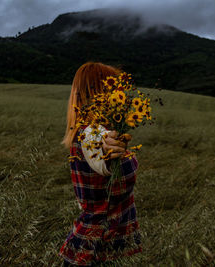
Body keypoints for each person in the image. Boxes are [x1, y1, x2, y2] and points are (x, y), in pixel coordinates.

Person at [58, 62, 143, 266]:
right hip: (97, 248)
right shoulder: (92, 134)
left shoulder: (86, 132)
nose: (121, 98)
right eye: (115, 91)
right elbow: (100, 143)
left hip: (95, 242)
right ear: (100, 93)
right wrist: (109, 144)